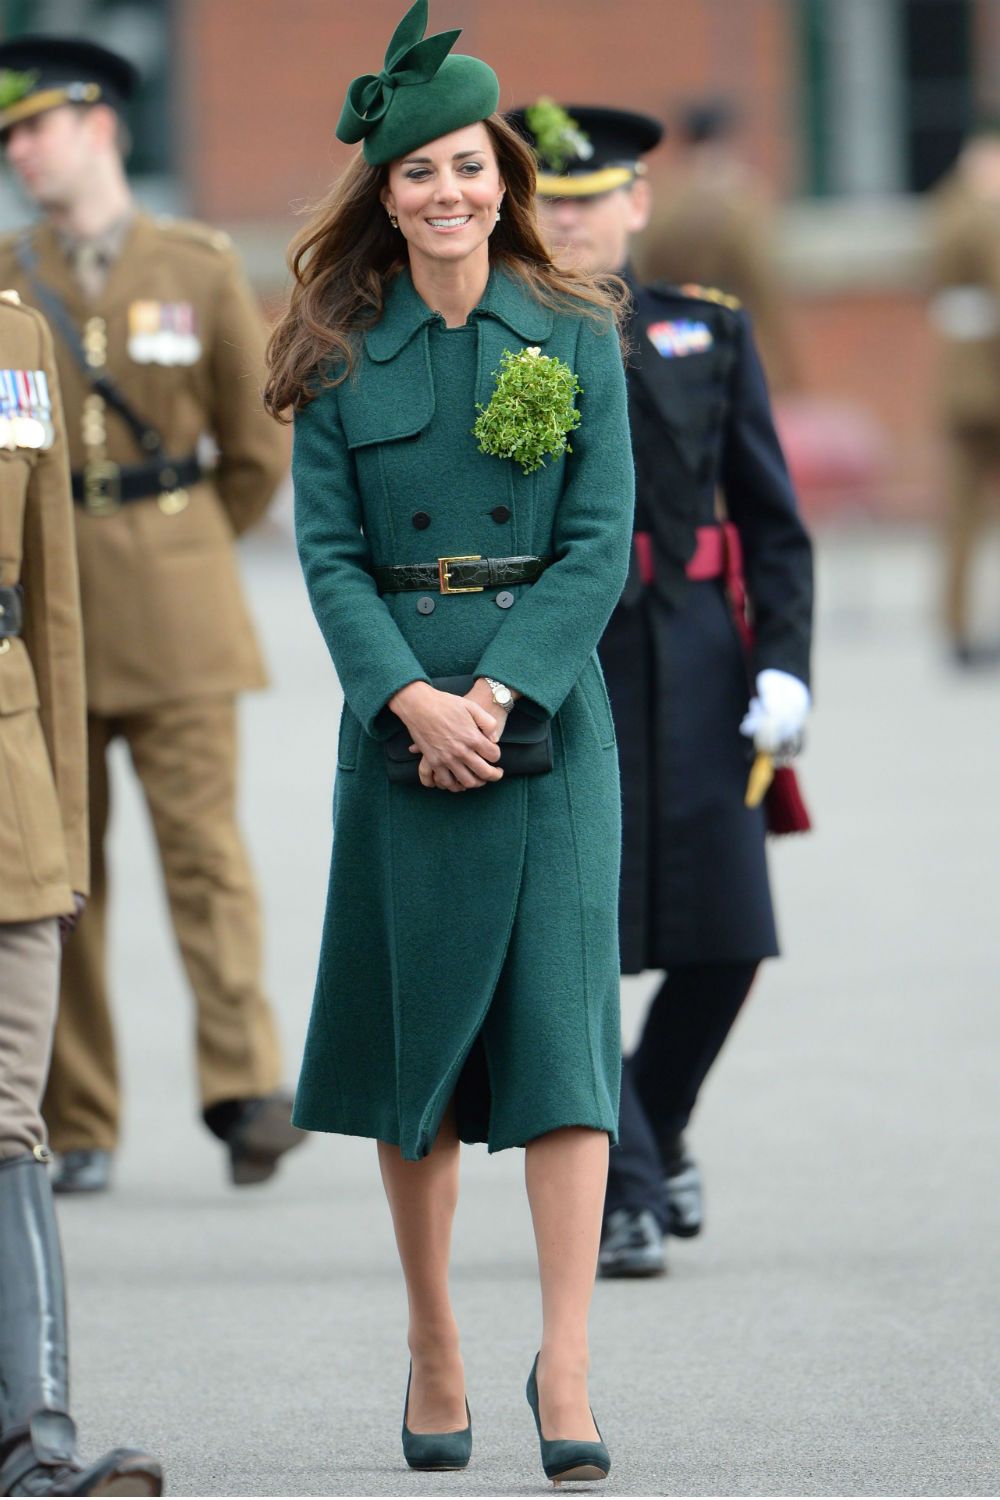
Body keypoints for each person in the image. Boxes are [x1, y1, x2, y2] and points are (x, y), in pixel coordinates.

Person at [264, 2, 633, 1482]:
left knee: (560, 1051)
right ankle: (434, 1344)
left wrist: (506, 693)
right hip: (401, 721)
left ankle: (571, 1368)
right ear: (386, 191)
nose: (448, 194)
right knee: (416, 1055)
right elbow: (330, 556)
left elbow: (602, 540)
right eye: (418, 173)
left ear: (505, 178)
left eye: (469, 167)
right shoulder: (339, 353)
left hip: (545, 722)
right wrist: (410, 700)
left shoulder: (578, 336)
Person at [511, 101, 813, 1277]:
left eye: (594, 202)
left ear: (637, 203)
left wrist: (785, 663)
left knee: (726, 937)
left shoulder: (708, 334)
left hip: (695, 656)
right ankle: (622, 1186)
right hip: (563, 659)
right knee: (573, 938)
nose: (574, 224)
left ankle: (654, 1119)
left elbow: (776, 527)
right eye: (555, 204)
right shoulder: (504, 335)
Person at [0, 36, 304, 1194]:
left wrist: (184, 541)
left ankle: (243, 1092)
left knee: (205, 860)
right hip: (44, 618)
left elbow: (255, 441)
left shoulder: (195, 263)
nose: (23, 150)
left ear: (101, 128)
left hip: (178, 605)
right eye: (10, 136)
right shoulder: (7, 276)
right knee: (55, 873)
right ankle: (77, 1117)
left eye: (39, 126)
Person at [0, 287, 162, 1496]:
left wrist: (56, 827)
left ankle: (36, 1447)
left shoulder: (14, 336)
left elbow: (50, 603)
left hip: (4, 785)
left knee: (10, 1115)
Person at [637, 98, 798, 394]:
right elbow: (763, 282)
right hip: (736, 338)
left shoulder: (663, 196)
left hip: (672, 338)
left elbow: (644, 268)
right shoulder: (742, 198)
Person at [928, 122, 1000, 667]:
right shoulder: (982, 214)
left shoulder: (948, 210)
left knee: (961, 515)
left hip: (960, 383)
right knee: (963, 515)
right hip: (986, 380)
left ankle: (954, 621)